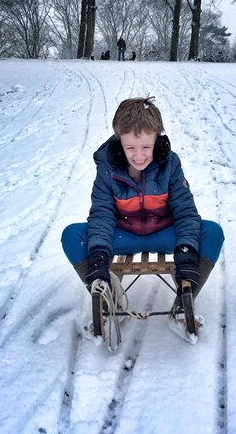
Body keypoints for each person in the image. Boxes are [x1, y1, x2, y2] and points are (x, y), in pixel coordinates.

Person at [61, 97, 224, 336]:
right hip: (124, 235)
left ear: (157, 142)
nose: (139, 156)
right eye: (130, 148)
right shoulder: (107, 169)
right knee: (72, 234)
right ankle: (108, 300)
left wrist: (187, 249)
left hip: (163, 232)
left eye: (146, 147)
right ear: (119, 144)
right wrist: (98, 255)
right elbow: (102, 215)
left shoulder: (170, 164)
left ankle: (183, 304)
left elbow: (186, 212)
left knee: (212, 231)